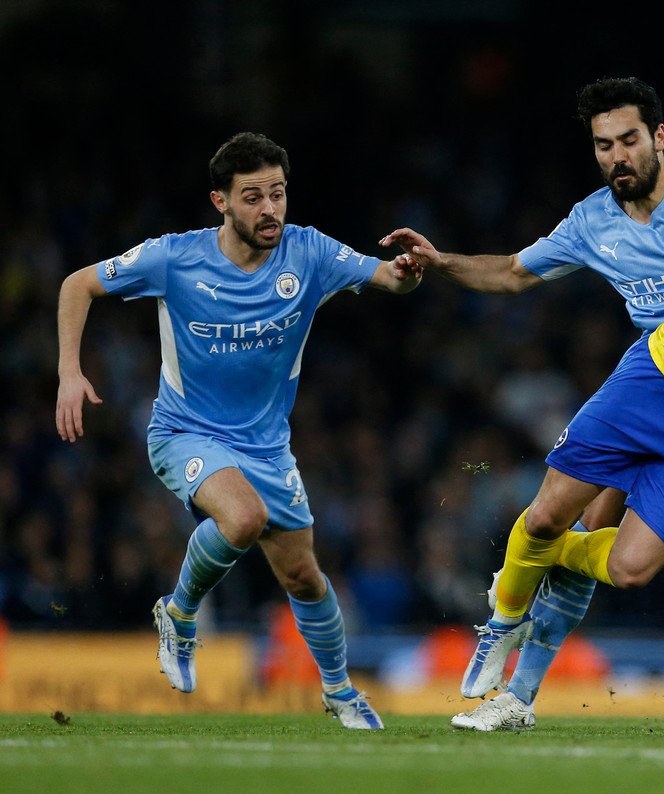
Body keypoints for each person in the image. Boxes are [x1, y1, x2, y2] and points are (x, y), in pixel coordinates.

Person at [381, 77, 664, 731]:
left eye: (629, 140)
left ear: (659, 138)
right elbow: (513, 272)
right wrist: (439, 262)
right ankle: (516, 698)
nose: (617, 157)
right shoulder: (591, 221)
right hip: (657, 392)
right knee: (584, 538)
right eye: (603, 145)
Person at [55, 132, 423, 730]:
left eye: (277, 194)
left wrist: (407, 271)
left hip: (267, 446)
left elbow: (390, 279)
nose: (270, 209)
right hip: (185, 432)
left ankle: (338, 690)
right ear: (220, 202)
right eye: (252, 197)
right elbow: (79, 284)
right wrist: (70, 373)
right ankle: (179, 614)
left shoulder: (309, 254)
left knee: (304, 576)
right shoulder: (173, 258)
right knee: (243, 519)